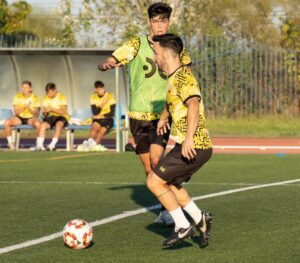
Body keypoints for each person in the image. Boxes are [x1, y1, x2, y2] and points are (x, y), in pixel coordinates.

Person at [98, 2, 191, 226]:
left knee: (158, 161)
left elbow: (185, 71)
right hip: (138, 115)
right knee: (150, 169)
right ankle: (171, 193)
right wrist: (109, 63)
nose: (159, 25)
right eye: (156, 21)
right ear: (149, 22)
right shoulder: (136, 44)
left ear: (169, 22)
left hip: (162, 115)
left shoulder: (174, 46)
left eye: (163, 21)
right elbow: (116, 57)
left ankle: (169, 211)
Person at [146, 34, 213, 248]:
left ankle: (183, 226)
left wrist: (189, 140)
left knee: (153, 181)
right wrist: (164, 118)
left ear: (166, 53)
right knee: (170, 184)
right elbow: (172, 100)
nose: (155, 58)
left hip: (195, 145)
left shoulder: (184, 76)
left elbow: (193, 103)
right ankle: (200, 219)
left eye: (156, 53)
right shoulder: (173, 78)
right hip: (195, 146)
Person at [79, 80, 116, 152]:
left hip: (108, 119)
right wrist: (102, 104)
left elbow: (112, 113)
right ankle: (89, 143)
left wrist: (101, 116)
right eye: (99, 89)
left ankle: (93, 146)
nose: (102, 91)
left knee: (100, 132)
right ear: (96, 90)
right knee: (94, 127)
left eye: (102, 88)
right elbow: (95, 112)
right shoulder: (93, 97)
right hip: (97, 119)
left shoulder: (110, 96)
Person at [4, 80, 40, 150]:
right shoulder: (17, 96)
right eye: (23, 87)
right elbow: (16, 112)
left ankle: (38, 144)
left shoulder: (35, 97)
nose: (24, 89)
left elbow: (36, 114)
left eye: (26, 87)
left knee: (38, 124)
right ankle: (11, 143)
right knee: (7, 122)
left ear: (30, 88)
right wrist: (24, 107)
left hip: (30, 118)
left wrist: (29, 108)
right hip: (19, 117)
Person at [35, 82, 69, 151]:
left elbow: (63, 112)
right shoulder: (45, 98)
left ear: (55, 90)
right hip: (50, 117)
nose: (49, 95)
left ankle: (52, 145)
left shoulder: (61, 96)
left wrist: (52, 109)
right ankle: (40, 145)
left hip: (61, 116)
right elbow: (44, 112)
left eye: (50, 93)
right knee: (43, 125)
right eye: (48, 93)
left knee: (59, 125)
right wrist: (45, 112)